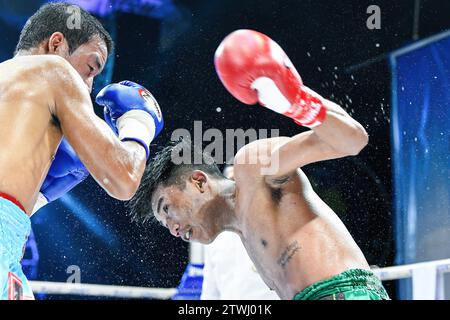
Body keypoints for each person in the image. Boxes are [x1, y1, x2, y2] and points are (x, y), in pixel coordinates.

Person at [129, 29, 389, 300]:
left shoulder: (253, 169)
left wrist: (297, 103)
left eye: (167, 209)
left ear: (198, 181)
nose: (172, 228)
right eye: (164, 223)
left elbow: (352, 141)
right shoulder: (243, 235)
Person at [0, 3, 163, 300]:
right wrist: (139, 123)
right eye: (91, 68)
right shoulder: (55, 70)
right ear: (57, 43)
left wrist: (39, 197)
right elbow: (124, 178)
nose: (87, 86)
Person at [201, 165, 279, 300]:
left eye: (241, 181)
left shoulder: (277, 225)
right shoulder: (214, 236)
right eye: (231, 181)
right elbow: (210, 292)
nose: (236, 187)